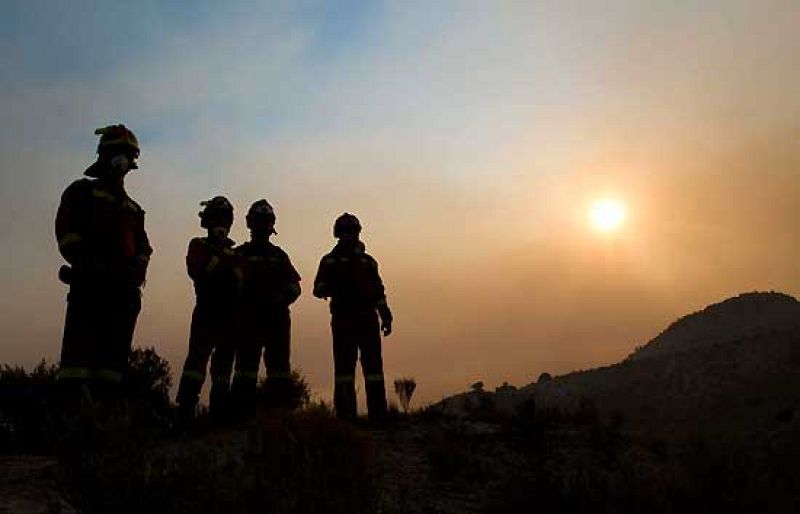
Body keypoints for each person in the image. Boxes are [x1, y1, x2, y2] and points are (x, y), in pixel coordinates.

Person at [55, 124, 152, 400]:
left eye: (130, 157)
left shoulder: (133, 209)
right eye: (122, 154)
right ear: (106, 154)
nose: (126, 162)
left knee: (112, 368)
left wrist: (136, 271)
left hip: (123, 294)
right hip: (90, 288)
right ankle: (70, 424)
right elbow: (67, 235)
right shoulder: (81, 193)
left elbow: (144, 247)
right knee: (77, 364)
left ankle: (105, 426)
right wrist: (88, 264)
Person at [313, 213, 393, 422]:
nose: (350, 236)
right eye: (346, 232)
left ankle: (378, 416)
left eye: (353, 231)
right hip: (343, 319)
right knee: (344, 371)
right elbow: (318, 288)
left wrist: (385, 315)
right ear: (338, 234)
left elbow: (378, 291)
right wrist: (337, 286)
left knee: (374, 368)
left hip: (368, 318)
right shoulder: (329, 261)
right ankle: (346, 419)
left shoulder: (368, 262)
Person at [231, 200, 301, 415]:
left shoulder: (279, 256)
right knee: (245, 367)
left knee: (279, 369)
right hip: (248, 318)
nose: (262, 226)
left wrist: (282, 298)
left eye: (265, 221)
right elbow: (228, 285)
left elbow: (295, 286)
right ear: (251, 224)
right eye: (259, 221)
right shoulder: (238, 254)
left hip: (276, 319)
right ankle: (241, 415)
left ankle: (279, 415)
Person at [175, 196, 240, 421]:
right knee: (196, 361)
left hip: (230, 315)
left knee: (223, 368)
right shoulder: (198, 245)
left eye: (225, 218)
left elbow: (242, 281)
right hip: (206, 311)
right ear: (208, 221)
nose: (221, 223)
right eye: (216, 218)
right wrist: (222, 260)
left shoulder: (235, 253)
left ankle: (219, 414)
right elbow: (197, 271)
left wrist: (223, 262)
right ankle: (184, 412)